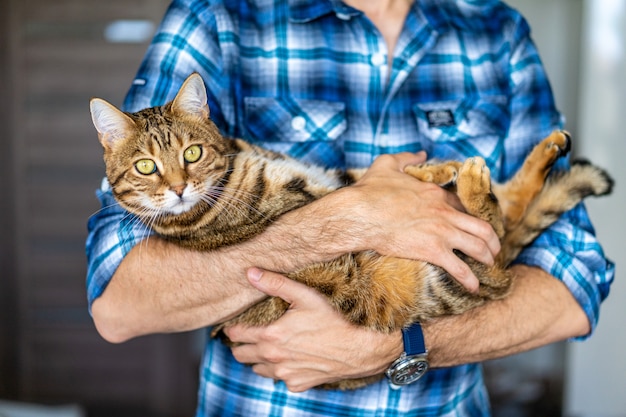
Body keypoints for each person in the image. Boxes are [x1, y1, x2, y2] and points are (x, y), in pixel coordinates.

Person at [85, 0, 614, 415]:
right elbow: (117, 303)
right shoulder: (217, 15)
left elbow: (574, 283)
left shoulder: (498, 31)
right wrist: (353, 218)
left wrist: (395, 347)